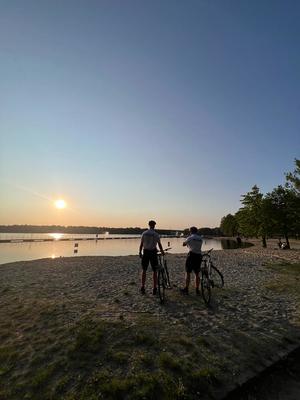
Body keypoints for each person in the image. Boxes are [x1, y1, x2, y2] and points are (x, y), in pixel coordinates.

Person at [139, 220, 164, 295]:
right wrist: (162, 252)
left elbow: (141, 244)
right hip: (153, 253)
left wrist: (140, 252)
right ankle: (154, 288)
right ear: (154, 225)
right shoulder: (156, 234)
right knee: (154, 271)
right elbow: (159, 244)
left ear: (149, 225)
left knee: (144, 270)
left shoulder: (144, 233)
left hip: (146, 252)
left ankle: (143, 287)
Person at [181, 226, 203, 295]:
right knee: (197, 273)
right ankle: (197, 289)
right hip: (199, 255)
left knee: (188, 272)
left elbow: (183, 244)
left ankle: (186, 288)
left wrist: (187, 243)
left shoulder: (190, 237)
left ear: (191, 231)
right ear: (197, 231)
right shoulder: (200, 238)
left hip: (192, 255)